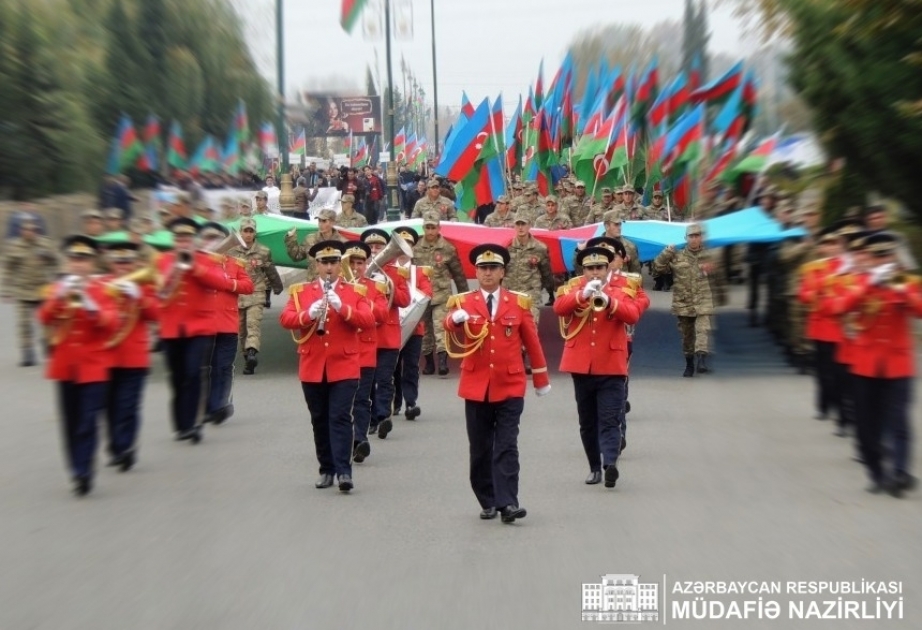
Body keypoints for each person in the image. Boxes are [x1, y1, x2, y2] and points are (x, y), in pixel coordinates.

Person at [443, 244, 551, 523]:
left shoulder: (518, 302)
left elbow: (532, 342)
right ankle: (487, 499)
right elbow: (448, 327)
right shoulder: (463, 302)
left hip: (510, 384)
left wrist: (540, 379)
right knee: (480, 448)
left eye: (493, 269)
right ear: (476, 272)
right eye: (482, 268)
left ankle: (508, 503)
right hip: (476, 384)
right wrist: (453, 320)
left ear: (502, 272)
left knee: (506, 445)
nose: (487, 273)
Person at [829, 233, 922, 497]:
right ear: (867, 258)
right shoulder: (854, 281)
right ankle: (876, 472)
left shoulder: (906, 281)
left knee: (899, 422)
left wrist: (901, 290)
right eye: (876, 256)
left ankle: (900, 472)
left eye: (886, 256)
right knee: (866, 425)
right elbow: (839, 307)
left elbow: (919, 310)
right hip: (865, 365)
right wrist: (870, 284)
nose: (881, 261)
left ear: (893, 257)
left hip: (897, 364)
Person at [279, 241, 375, 493]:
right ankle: (326, 469)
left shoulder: (354, 291)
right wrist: (308, 314)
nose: (329, 267)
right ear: (317, 265)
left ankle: (344, 471)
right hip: (312, 364)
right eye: (324, 263)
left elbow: (368, 320)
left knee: (340, 417)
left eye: (333, 262)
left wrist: (342, 307)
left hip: (344, 364)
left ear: (339, 265)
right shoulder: (301, 292)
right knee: (319, 419)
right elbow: (286, 319)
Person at [554, 246, 643, 488]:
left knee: (610, 418)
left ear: (607, 269)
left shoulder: (621, 291)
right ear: (583, 270)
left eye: (599, 268)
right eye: (590, 268)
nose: (595, 272)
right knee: (587, 421)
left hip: (611, 365)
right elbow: (559, 308)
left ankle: (610, 463)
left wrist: (610, 301)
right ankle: (594, 466)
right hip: (581, 365)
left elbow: (633, 314)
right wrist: (583, 294)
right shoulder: (574, 288)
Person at [37, 236, 119, 496]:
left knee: (87, 421)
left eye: (83, 260)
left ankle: (84, 471)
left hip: (93, 367)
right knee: (71, 422)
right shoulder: (57, 289)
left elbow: (111, 322)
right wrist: (60, 295)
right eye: (74, 259)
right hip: (65, 366)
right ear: (67, 261)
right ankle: (75, 467)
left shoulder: (102, 289)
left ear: (92, 262)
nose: (78, 264)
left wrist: (87, 301)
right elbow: (44, 317)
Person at [157, 218, 240, 443]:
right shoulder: (162, 261)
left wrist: (193, 265)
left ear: (192, 240)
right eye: (179, 238)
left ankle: (192, 424)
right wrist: (174, 270)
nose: (183, 242)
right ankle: (181, 424)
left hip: (199, 328)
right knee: (177, 377)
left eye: (187, 238)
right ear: (174, 240)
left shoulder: (204, 259)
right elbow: (159, 291)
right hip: (172, 329)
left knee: (194, 373)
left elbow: (218, 282)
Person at [99, 241, 159, 472]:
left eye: (127, 262)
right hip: (107, 356)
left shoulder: (144, 285)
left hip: (134, 356)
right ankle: (115, 446)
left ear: (134, 263)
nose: (122, 266)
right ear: (111, 263)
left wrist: (139, 297)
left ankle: (126, 448)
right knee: (110, 405)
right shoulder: (102, 284)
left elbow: (155, 313)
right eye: (118, 261)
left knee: (128, 405)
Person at [653, 223, 726, 377]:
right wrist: (666, 253)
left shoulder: (709, 256)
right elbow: (657, 268)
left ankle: (702, 359)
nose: (694, 239)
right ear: (686, 238)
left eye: (697, 236)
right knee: (687, 336)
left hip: (703, 300)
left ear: (701, 237)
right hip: (683, 302)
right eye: (691, 236)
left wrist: (721, 295)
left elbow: (719, 278)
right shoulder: (677, 256)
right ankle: (689, 363)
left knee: (702, 329)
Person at [359, 229, 411, 440]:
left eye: (379, 247)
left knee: (385, 378)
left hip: (388, 335)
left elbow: (405, 300)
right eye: (370, 247)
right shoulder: (358, 272)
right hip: (367, 334)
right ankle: (371, 419)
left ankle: (383, 417)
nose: (374, 250)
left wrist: (388, 288)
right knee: (368, 381)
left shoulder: (397, 273)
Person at [200, 223, 254, 425]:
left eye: (218, 238)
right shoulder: (200, 262)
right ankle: (206, 406)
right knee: (205, 368)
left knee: (223, 367)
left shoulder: (235, 264)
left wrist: (230, 284)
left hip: (227, 324)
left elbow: (248, 286)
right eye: (209, 237)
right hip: (204, 325)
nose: (214, 242)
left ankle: (219, 404)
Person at [341, 240, 387, 462]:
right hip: (342, 351)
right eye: (353, 262)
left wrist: (363, 301)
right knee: (343, 402)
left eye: (361, 262)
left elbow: (382, 314)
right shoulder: (337, 287)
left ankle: (360, 440)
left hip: (365, 351)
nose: (357, 267)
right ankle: (344, 440)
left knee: (361, 399)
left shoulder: (375, 287)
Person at [412, 211, 469, 376]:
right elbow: (409, 272)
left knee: (440, 328)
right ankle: (429, 362)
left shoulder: (448, 249)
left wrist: (464, 297)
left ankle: (442, 362)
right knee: (425, 331)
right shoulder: (415, 248)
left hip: (441, 294)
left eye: (433, 228)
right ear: (423, 228)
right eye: (428, 228)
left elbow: (458, 274)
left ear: (439, 228)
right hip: (422, 296)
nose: (430, 231)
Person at [228, 218, 283, 375]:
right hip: (238, 295)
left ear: (255, 233)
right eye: (245, 231)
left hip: (256, 293)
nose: (248, 234)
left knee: (253, 325)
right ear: (240, 232)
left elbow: (270, 270)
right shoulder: (231, 252)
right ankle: (247, 358)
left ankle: (252, 352)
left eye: (251, 231)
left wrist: (277, 287)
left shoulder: (263, 251)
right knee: (241, 330)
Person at [2, 215, 58, 366]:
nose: (29, 232)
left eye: (32, 230)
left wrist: (55, 281)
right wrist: (5, 289)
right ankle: (27, 353)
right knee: (24, 324)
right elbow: (7, 268)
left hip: (42, 290)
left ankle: (49, 348)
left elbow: (56, 262)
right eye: (26, 229)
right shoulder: (14, 246)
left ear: (37, 231)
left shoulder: (45, 244)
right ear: (21, 231)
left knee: (47, 323)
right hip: (23, 291)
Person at [504, 210, 554, 372]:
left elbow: (546, 270)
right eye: (518, 224)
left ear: (529, 226)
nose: (520, 228)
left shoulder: (539, 248)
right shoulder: (507, 246)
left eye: (523, 224)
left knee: (530, 325)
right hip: (510, 292)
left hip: (531, 292)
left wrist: (550, 289)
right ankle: (516, 356)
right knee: (511, 326)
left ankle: (523, 355)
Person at [391, 227, 432, 421]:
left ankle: (410, 402)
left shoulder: (420, 272)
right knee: (392, 366)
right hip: (391, 327)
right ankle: (395, 401)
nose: (403, 249)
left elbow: (427, 295)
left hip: (414, 328)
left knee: (411, 366)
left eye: (408, 245)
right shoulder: (388, 271)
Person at [284, 209, 346, 281]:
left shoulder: (342, 243)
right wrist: (291, 240)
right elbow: (296, 257)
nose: (320, 224)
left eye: (324, 221)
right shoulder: (310, 239)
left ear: (332, 222)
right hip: (313, 285)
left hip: (335, 285)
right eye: (319, 221)